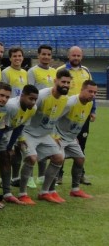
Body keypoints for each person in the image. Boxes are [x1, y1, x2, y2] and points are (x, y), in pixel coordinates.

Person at [17, 69, 71, 205]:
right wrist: (21, 136)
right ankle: (22, 194)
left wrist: (55, 135)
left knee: (59, 157)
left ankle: (45, 192)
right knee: (31, 158)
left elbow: (54, 119)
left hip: (45, 135)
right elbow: (25, 113)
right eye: (63, 82)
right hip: (28, 133)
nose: (65, 85)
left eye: (68, 83)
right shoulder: (41, 96)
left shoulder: (65, 99)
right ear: (55, 81)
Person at [56, 46, 94, 185]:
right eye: (74, 55)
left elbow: (91, 90)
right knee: (60, 145)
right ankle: (58, 174)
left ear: (82, 56)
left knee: (81, 145)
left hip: (82, 114)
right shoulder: (61, 71)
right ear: (68, 55)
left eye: (78, 55)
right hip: (64, 115)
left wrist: (93, 110)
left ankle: (80, 175)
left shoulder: (86, 71)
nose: (76, 58)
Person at [0, 84, 38, 205]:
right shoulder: (12, 106)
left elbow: (20, 127)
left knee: (6, 157)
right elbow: (3, 128)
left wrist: (10, 146)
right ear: (22, 95)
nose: (33, 102)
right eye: (31, 98)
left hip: (5, 132)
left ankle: (7, 193)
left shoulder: (32, 109)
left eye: (35, 99)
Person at [54, 80, 97, 198]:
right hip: (59, 136)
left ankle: (75, 189)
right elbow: (54, 118)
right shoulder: (70, 103)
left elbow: (80, 121)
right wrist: (54, 136)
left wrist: (75, 136)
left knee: (80, 159)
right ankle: (48, 190)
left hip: (71, 138)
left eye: (95, 92)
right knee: (58, 160)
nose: (93, 95)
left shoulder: (90, 103)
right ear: (82, 90)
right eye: (90, 91)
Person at [26, 44, 57, 186]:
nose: (46, 57)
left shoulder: (54, 71)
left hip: (48, 113)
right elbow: (30, 90)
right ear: (38, 55)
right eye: (43, 54)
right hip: (35, 111)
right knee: (33, 145)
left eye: (48, 54)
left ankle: (42, 176)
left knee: (44, 142)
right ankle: (30, 177)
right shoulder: (32, 71)